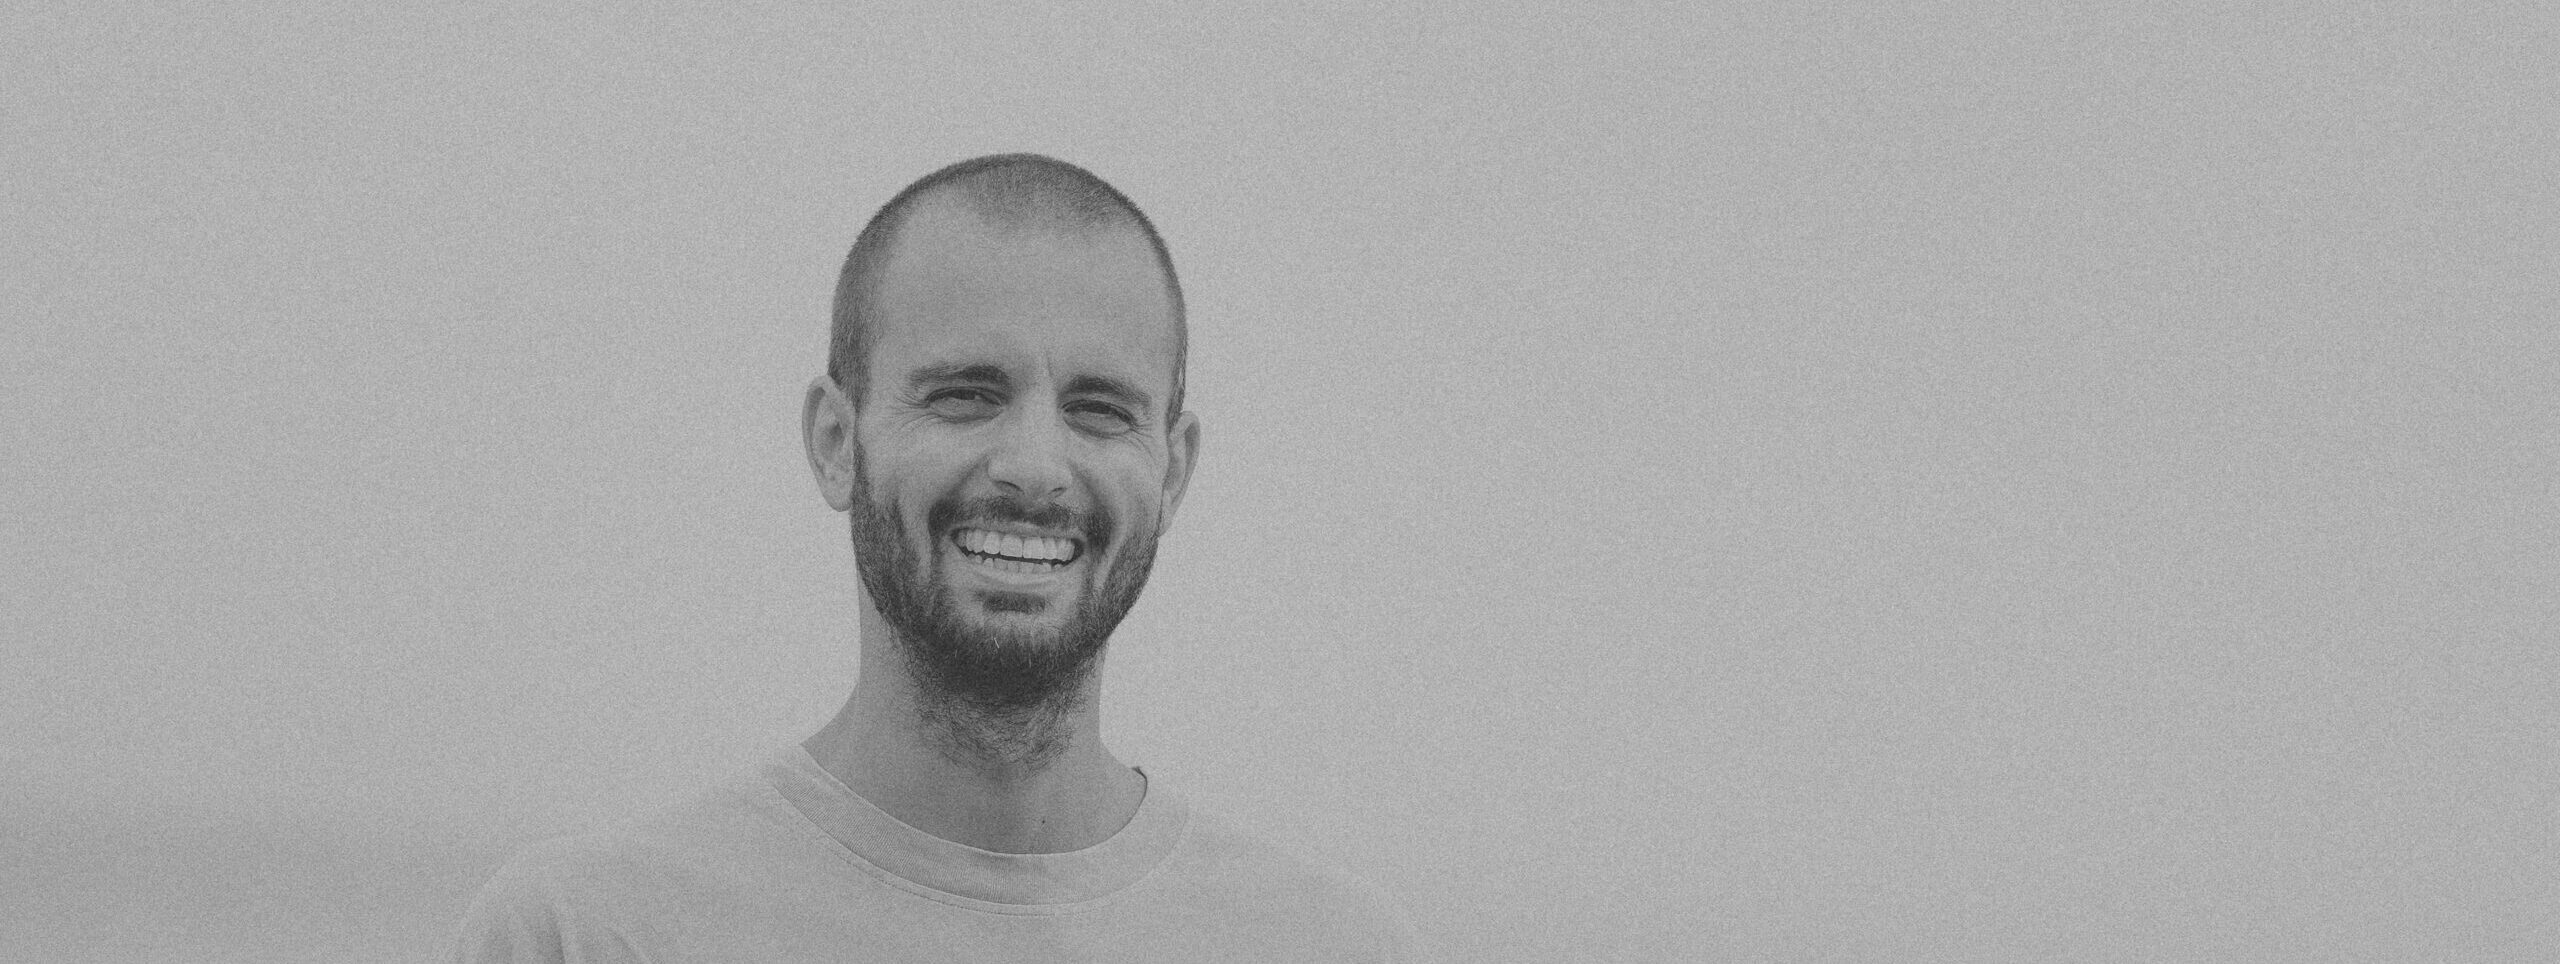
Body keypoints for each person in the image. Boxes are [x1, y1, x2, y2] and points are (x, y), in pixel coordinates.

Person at [450, 154, 1432, 962]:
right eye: (966, 394)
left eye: (1099, 410)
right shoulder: (587, 934)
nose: (1034, 467)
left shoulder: (1336, 946)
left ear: (1171, 472)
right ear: (836, 442)